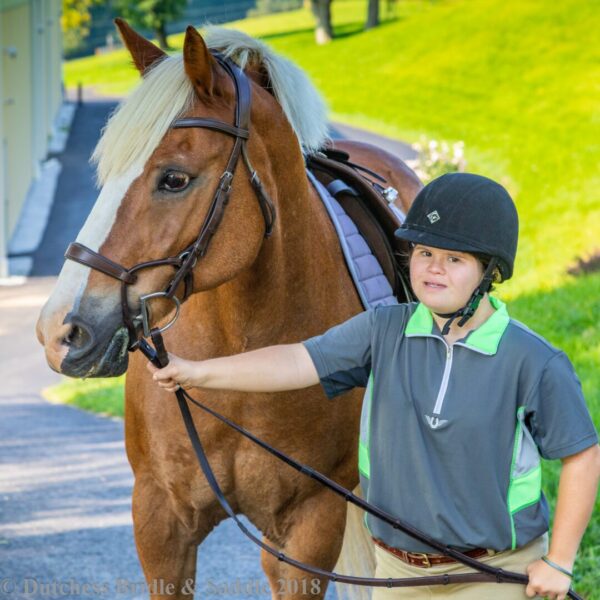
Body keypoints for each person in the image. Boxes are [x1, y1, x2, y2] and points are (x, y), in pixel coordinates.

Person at [147, 173, 600, 600]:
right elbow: (295, 360)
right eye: (424, 253)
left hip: (493, 574)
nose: (433, 269)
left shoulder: (533, 361)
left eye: (454, 259)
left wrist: (559, 562)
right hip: (396, 575)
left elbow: (582, 456)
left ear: (489, 273)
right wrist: (198, 372)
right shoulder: (383, 330)